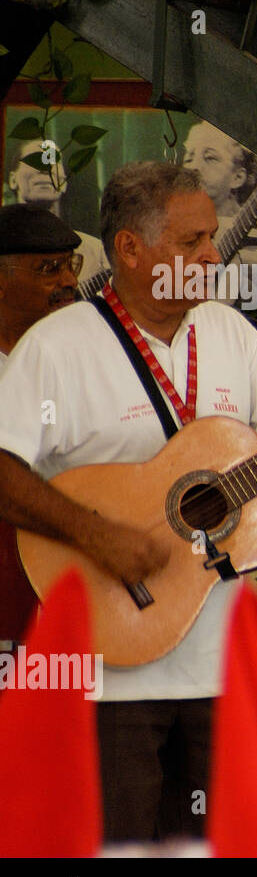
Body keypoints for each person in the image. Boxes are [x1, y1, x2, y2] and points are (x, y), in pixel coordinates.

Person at [0, 161, 257, 841]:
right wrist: (93, 532)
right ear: (131, 251)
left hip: (221, 663)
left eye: (211, 237)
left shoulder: (231, 336)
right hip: (110, 665)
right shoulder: (57, 347)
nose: (211, 256)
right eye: (191, 242)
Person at [0, 204, 82, 644]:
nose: (68, 282)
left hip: (75, 577)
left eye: (72, 265)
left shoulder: (86, 357)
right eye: (50, 269)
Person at [181, 120, 257, 307]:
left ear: (238, 177)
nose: (193, 167)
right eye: (189, 158)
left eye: (209, 158)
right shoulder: (172, 230)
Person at [7, 138, 111, 287]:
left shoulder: (96, 252)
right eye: (36, 159)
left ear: (64, 183)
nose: (45, 168)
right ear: (13, 180)